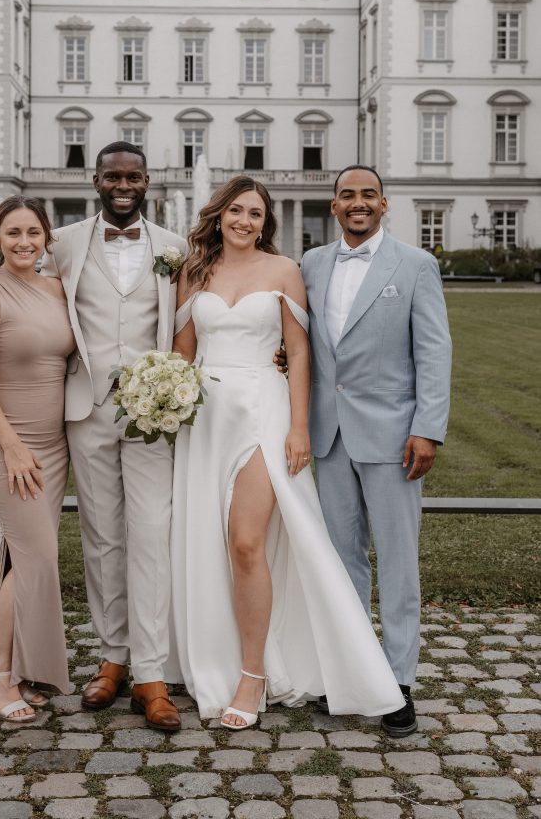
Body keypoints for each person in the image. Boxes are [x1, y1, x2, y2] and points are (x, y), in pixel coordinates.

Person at [171, 176, 405, 726]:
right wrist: (164, 398)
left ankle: (253, 677)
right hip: (205, 420)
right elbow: (182, 352)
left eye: (255, 213)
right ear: (219, 216)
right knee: (212, 542)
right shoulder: (194, 273)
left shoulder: (284, 272)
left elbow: (298, 354)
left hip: (263, 414)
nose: (245, 221)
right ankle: (217, 657)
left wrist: (298, 426)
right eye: (236, 211)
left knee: (247, 541)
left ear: (265, 222)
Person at [40, 141, 187, 732]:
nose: (122, 185)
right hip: (87, 406)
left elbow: (189, 321)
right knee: (101, 538)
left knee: (151, 533)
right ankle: (113, 657)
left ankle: (152, 673)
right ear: (95, 180)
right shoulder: (64, 243)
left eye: (133, 176)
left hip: (152, 414)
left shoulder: (173, 248)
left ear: (148, 181)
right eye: (111, 176)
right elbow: (32, 300)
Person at [300, 165, 452, 737]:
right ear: (333, 206)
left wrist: (428, 428)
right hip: (330, 434)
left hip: (395, 436)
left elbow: (434, 352)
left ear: (383, 204)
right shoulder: (312, 264)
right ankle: (351, 673)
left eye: (368, 194)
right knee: (342, 562)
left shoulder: (415, 265)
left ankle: (398, 683)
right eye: (347, 195)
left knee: (397, 560)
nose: (357, 203)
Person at [0, 196, 74, 723]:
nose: (24, 242)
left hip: (53, 446)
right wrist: (10, 445)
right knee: (35, 557)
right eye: (12, 233)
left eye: (33, 232)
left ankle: (25, 666)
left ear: (46, 237)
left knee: (26, 558)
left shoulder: (56, 289)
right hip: (6, 443)